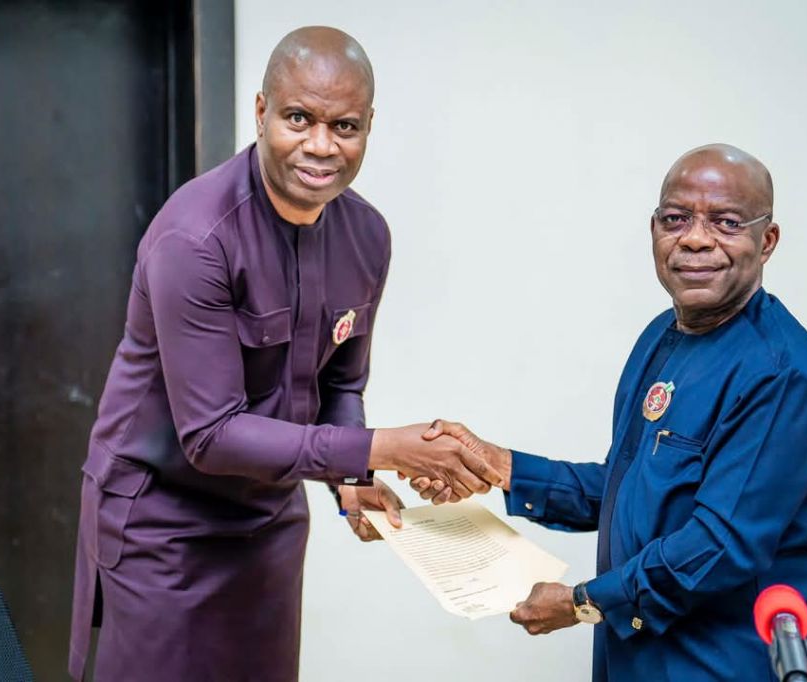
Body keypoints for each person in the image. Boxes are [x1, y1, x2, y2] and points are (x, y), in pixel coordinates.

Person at [68, 26, 501, 682]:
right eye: (299, 118)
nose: (321, 146)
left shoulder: (367, 235)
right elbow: (211, 436)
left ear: (369, 126)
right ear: (263, 111)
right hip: (163, 522)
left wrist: (353, 481)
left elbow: (342, 388)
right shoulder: (195, 238)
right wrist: (382, 450)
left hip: (269, 521)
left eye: (345, 126)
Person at [414, 144, 807, 681]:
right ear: (655, 229)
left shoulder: (782, 376)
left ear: (768, 240)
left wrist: (581, 602)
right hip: (636, 660)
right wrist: (502, 468)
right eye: (676, 218)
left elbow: (719, 545)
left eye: (727, 222)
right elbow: (632, 490)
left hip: (726, 664)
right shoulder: (662, 339)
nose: (695, 238)